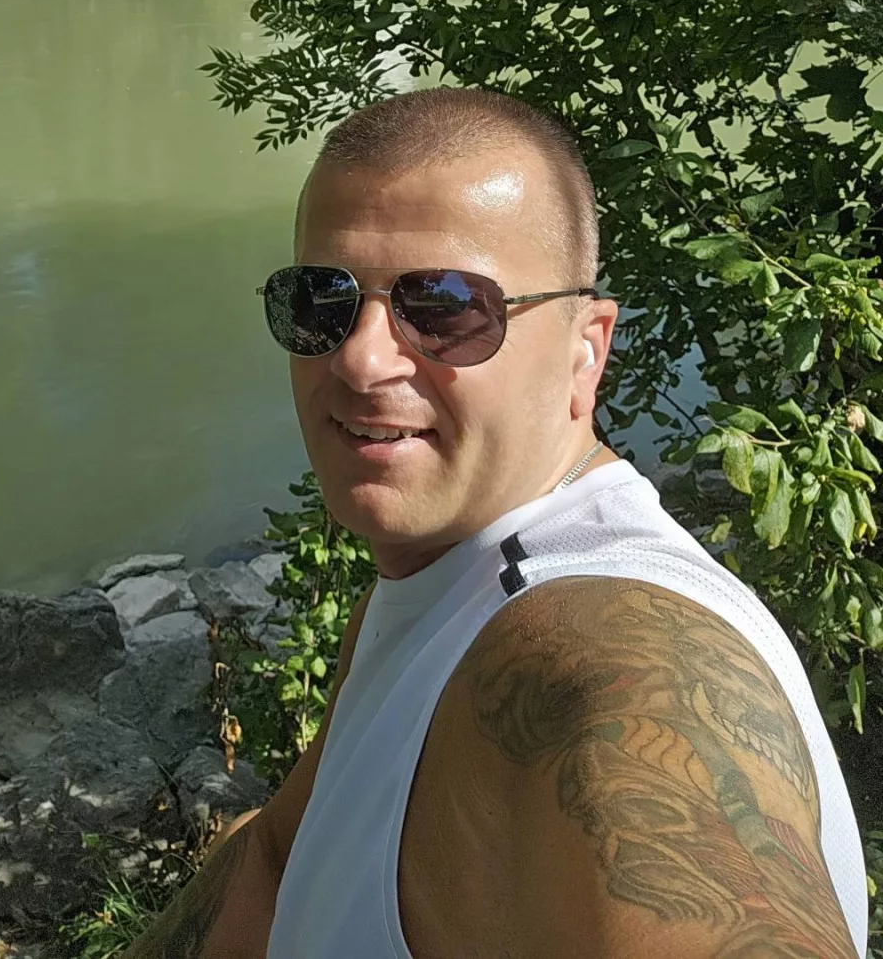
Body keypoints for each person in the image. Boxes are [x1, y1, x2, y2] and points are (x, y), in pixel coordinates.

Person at [122, 86, 870, 959]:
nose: (360, 358)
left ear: (586, 351)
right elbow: (281, 858)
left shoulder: (593, 652)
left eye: (444, 306)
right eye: (322, 300)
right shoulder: (436, 586)